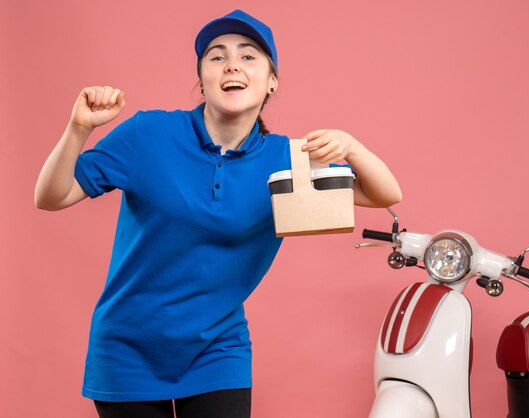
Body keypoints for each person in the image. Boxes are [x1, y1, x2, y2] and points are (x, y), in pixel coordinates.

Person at [34, 9, 402, 418]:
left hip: (217, 351)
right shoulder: (148, 135)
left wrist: (352, 147)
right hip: (127, 348)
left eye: (248, 56)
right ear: (203, 80)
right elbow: (51, 195)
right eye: (216, 56)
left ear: (272, 81)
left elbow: (386, 193)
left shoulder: (288, 159)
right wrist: (78, 128)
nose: (232, 64)